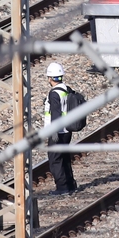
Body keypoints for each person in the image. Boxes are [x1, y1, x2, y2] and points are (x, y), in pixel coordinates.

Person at [44, 62, 78, 195]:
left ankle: (62, 188)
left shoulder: (54, 94)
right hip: (67, 131)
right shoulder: (67, 89)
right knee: (64, 158)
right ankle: (70, 185)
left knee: (55, 160)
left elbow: (56, 114)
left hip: (57, 132)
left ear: (50, 78)